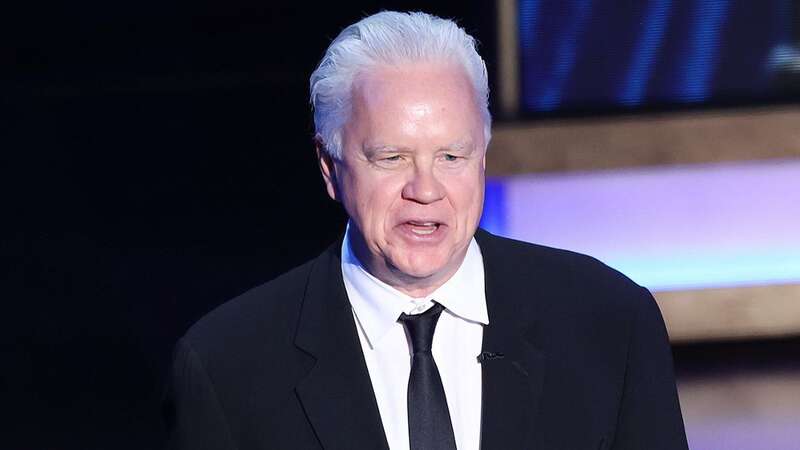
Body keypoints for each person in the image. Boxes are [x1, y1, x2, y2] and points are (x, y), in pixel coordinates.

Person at [164, 11, 689, 450]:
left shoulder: (612, 324)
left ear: (483, 156)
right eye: (391, 157)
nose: (425, 188)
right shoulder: (226, 365)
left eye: (451, 156)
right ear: (330, 167)